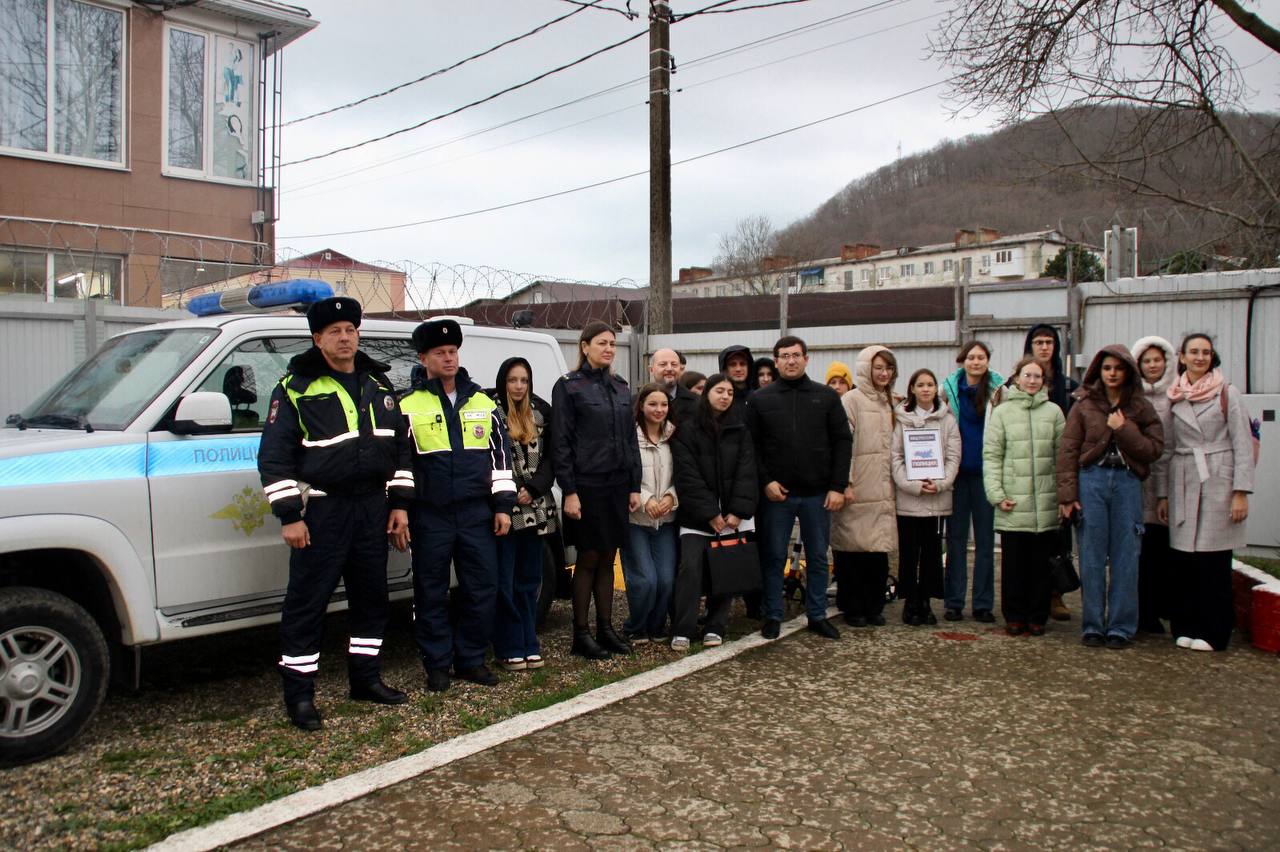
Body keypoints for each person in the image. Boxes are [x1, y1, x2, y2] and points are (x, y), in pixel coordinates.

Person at [258, 296, 411, 731]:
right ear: (317, 339)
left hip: (371, 509)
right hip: (322, 511)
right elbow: (274, 459)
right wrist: (289, 515)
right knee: (307, 605)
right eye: (335, 332)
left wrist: (398, 504)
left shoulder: (379, 385)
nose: (345, 338)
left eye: (350, 330)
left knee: (371, 599)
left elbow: (401, 451)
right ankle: (300, 698)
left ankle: (365, 680)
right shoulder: (295, 387)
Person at [398, 319, 515, 692]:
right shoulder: (407, 405)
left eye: (452, 352)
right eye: (439, 353)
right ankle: (436, 663)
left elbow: (501, 461)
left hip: (476, 513)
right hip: (429, 515)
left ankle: (470, 659)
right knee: (430, 591)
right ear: (424, 358)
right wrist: (400, 507)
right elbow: (400, 465)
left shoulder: (483, 403)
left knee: (481, 588)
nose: (448, 358)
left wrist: (502, 507)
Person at [746, 335, 851, 640]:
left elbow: (842, 442)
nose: (790, 361)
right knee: (774, 556)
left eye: (796, 355)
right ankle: (773, 614)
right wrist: (765, 481)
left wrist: (837, 486)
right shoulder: (760, 400)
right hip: (777, 495)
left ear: (807, 359)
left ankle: (817, 614)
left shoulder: (826, 397)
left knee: (818, 557)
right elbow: (751, 447)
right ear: (775, 361)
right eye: (784, 356)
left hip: (818, 494)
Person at [1058, 346, 1164, 649]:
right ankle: (1092, 624)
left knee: (1126, 556)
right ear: (1098, 371)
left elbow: (1154, 449)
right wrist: (1068, 496)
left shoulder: (1141, 407)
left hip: (1127, 482)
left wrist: (1125, 428)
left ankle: (1121, 626)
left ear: (1128, 371)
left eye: (1118, 368)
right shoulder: (1083, 404)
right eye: (1107, 368)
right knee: (1091, 556)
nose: (1112, 373)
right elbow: (1068, 450)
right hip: (1091, 481)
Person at [551, 321, 643, 659]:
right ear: (585, 346)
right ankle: (581, 634)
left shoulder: (620, 387)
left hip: (617, 484)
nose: (608, 348)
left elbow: (631, 440)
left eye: (612, 344)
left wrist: (634, 485)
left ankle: (605, 628)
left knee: (609, 557)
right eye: (601, 343)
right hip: (586, 484)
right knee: (588, 557)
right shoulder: (569, 387)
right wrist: (570, 490)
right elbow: (560, 443)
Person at [1159, 333, 1255, 652]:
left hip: (1218, 479)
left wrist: (1240, 491)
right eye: (1193, 352)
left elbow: (1243, 443)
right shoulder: (1175, 396)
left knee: (1214, 563)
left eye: (1206, 352)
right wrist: (1163, 494)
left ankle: (1215, 631)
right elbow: (1168, 448)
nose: (1200, 357)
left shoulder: (1228, 393)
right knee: (1184, 562)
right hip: (1184, 478)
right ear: (1182, 357)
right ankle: (1186, 625)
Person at [670, 374, 758, 649]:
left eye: (730, 393)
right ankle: (683, 628)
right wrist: (710, 512)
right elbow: (687, 476)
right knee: (690, 569)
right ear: (706, 393)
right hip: (697, 518)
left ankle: (715, 625)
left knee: (726, 569)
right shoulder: (687, 429)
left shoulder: (740, 428)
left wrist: (737, 512)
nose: (725, 396)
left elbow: (747, 471)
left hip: (733, 518)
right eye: (719, 390)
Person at [984, 357, 1065, 636]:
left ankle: (1037, 616)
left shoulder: (1054, 413)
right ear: (1016, 378)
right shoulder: (1002, 413)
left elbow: (1061, 458)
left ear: (1044, 381)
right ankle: (1014, 615)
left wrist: (1063, 496)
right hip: (1013, 502)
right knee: (1014, 565)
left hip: (1045, 502)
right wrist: (996, 494)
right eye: (1027, 375)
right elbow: (992, 456)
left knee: (1041, 566)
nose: (1032, 381)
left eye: (1037, 376)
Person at [490, 357, 558, 673]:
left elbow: (550, 459)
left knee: (529, 581)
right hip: (504, 508)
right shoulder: (492, 412)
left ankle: (529, 641)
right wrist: (514, 487)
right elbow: (490, 457)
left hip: (535, 508)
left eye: (524, 381)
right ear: (503, 382)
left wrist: (533, 487)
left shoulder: (539, 414)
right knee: (505, 581)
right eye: (513, 380)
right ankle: (508, 645)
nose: (519, 386)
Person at [831, 346, 900, 627]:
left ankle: (874, 605)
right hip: (857, 486)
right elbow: (841, 442)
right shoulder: (851, 400)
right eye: (878, 367)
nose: (884, 373)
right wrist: (843, 481)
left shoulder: (892, 402)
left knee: (877, 552)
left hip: (883, 488)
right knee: (851, 551)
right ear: (865, 369)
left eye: (888, 368)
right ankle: (852, 606)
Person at [939, 341, 1004, 623]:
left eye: (981, 357)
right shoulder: (948, 390)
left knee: (986, 542)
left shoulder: (1000, 392)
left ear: (987, 361)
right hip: (957, 474)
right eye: (971, 357)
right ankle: (953, 601)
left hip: (986, 474)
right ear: (962, 360)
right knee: (955, 541)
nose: (976, 362)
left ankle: (983, 604)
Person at [892, 368, 961, 626]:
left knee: (932, 553)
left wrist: (941, 483)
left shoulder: (947, 420)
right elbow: (895, 457)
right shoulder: (901, 419)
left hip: (935, 499)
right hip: (909, 499)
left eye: (930, 384)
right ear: (912, 389)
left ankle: (927, 602)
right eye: (920, 384)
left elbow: (954, 457)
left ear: (936, 388)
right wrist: (911, 484)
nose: (925, 389)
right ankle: (910, 602)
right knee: (909, 553)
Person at [1023, 323, 1079, 621]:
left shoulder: (1068, 387)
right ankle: (1031, 594)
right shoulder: (1016, 385)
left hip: (1058, 469)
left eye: (1049, 342)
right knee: (1029, 539)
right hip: (1025, 469)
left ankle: (1056, 593)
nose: (1044, 347)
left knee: (1058, 535)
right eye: (1038, 342)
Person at [621, 383, 679, 644]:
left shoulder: (675, 437)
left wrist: (670, 496)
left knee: (666, 580)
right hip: (636, 520)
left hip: (665, 521)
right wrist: (646, 500)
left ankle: (656, 627)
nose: (659, 409)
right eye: (653, 404)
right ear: (641, 406)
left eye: (664, 404)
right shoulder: (629, 437)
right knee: (645, 580)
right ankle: (635, 627)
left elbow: (686, 473)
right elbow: (623, 475)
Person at [1131, 335, 1177, 633]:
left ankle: (1163, 608)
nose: (1152, 366)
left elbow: (1171, 445)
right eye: (1146, 361)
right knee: (1139, 552)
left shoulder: (1177, 395)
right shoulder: (1131, 397)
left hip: (1169, 481)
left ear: (1167, 362)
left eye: (1157, 360)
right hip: (1135, 483)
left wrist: (1164, 491)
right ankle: (1142, 611)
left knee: (1164, 549)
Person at [649, 347, 699, 425]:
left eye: (674, 364)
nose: (669, 368)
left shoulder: (697, 403)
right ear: (651, 370)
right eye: (663, 364)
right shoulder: (636, 403)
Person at [719, 344, 757, 410]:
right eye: (733, 364)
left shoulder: (758, 397)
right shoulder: (719, 400)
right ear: (725, 369)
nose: (738, 369)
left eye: (742, 364)